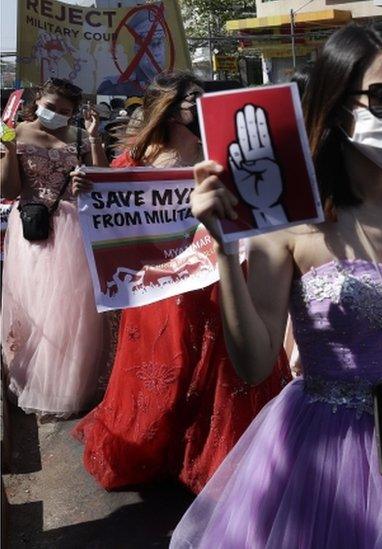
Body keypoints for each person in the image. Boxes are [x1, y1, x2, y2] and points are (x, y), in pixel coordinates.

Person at [169, 25, 382, 547]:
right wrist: (222, 247)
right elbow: (256, 363)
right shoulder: (286, 223)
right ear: (334, 104)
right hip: (329, 449)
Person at [73, 71, 291, 494]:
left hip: (219, 277)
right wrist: (90, 184)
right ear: (172, 112)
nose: (204, 107)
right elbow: (113, 208)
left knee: (221, 367)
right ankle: (162, 452)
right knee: (172, 370)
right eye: (195, 101)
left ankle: (216, 455)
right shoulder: (137, 163)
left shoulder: (225, 155)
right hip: (162, 291)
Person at [1, 78, 113, 417]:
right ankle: (35, 379)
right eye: (51, 107)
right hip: (33, 230)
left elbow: (103, 180)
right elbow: (9, 188)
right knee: (36, 308)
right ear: (37, 101)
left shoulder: (77, 136)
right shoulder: (15, 132)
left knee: (71, 311)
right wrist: (6, 149)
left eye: (65, 112)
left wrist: (92, 150)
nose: (56, 115)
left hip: (73, 229)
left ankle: (70, 384)